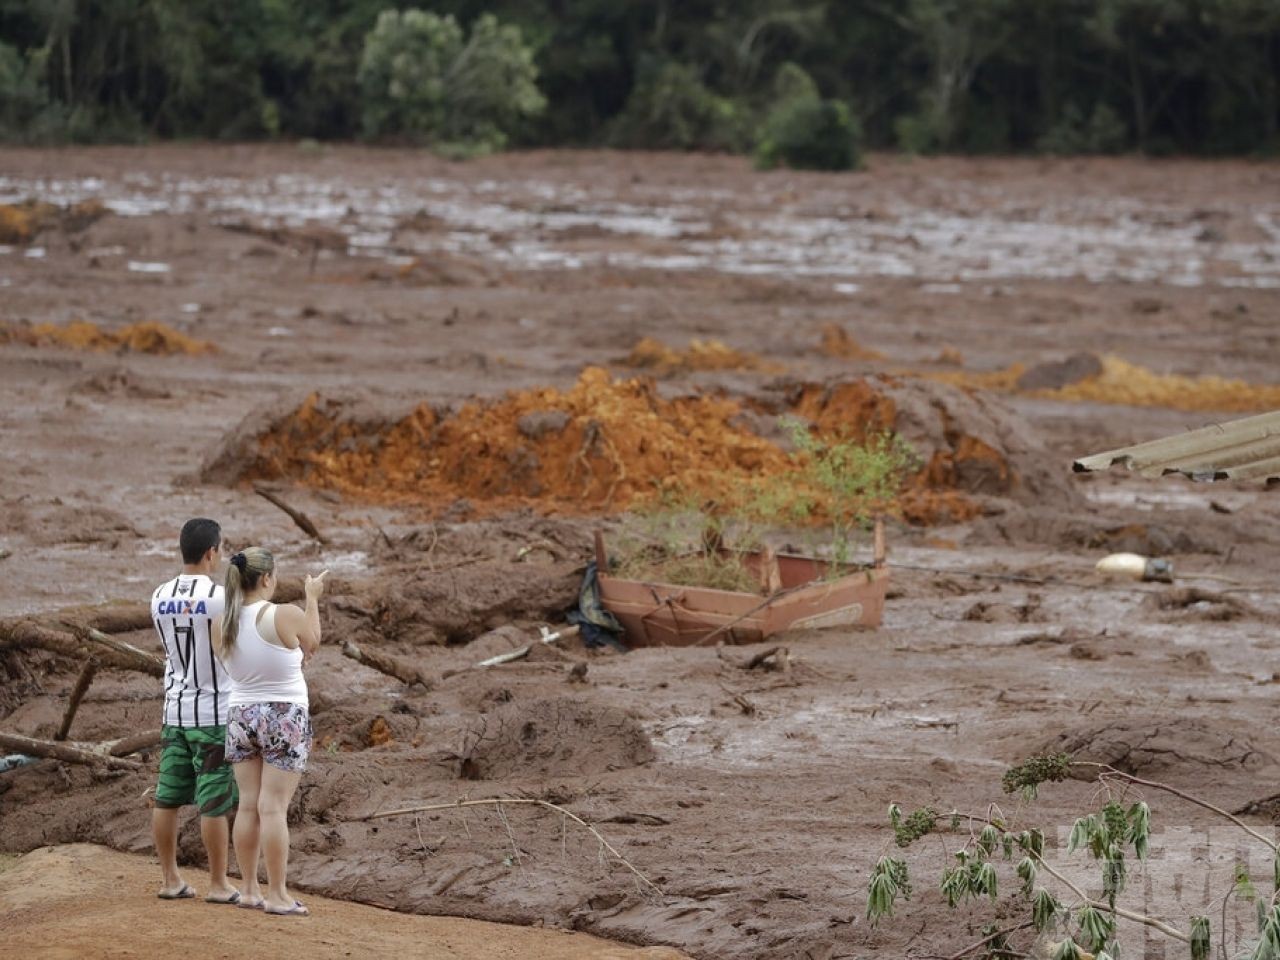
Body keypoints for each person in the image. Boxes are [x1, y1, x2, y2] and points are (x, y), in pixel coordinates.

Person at [214, 547, 327, 916]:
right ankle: (277, 894)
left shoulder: (222, 621)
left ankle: (248, 889)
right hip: (283, 714)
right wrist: (312, 599)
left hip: (240, 714)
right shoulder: (285, 613)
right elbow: (313, 642)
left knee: (248, 803)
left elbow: (236, 666)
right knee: (273, 807)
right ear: (266, 579)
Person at [149, 517, 240, 904]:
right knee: (214, 801)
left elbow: (169, 652)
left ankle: (170, 878)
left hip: (175, 711)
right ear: (211, 552)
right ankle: (218, 883)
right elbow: (231, 649)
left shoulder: (157, 596)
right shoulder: (221, 597)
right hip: (214, 715)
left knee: (167, 797)